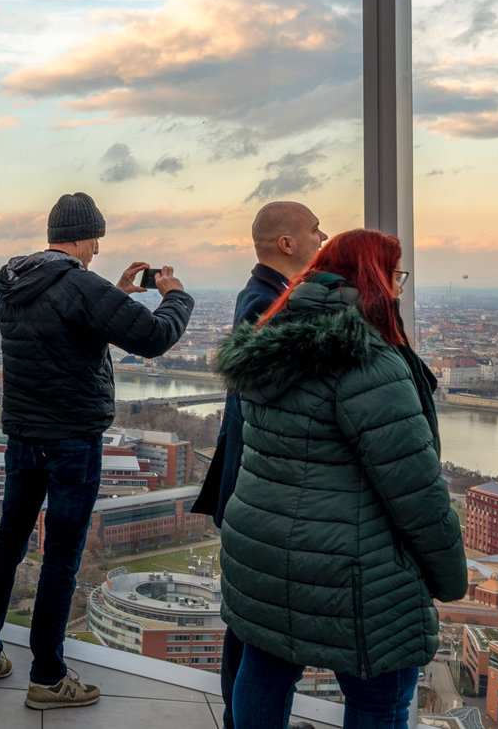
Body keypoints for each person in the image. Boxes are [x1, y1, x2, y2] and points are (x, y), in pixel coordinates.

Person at [214, 229, 466, 729]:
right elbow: (415, 489)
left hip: (262, 549)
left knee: (262, 672)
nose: (398, 287)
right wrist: (449, 577)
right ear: (374, 279)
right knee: (380, 697)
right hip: (354, 567)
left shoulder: (268, 339)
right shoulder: (369, 360)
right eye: (395, 276)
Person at [0, 192, 196, 710]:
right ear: (85, 236)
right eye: (97, 239)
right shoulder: (80, 285)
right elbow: (155, 337)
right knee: (61, 557)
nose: (98, 249)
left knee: (7, 545)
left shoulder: (17, 281)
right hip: (72, 441)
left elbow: (65, 333)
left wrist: (114, 292)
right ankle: (48, 678)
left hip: (22, 437)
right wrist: (175, 294)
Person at [191, 201, 326, 729]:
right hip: (258, 482)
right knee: (256, 626)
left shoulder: (261, 294)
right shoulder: (268, 303)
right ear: (287, 243)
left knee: (248, 620)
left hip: (247, 478)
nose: (322, 237)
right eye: (314, 229)